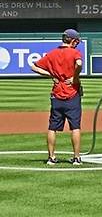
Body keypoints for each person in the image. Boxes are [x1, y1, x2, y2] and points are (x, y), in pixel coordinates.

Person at [30, 29, 83, 166]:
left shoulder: (52, 53)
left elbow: (34, 67)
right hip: (72, 94)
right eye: (76, 41)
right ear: (73, 40)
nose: (77, 44)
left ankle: (51, 157)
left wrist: (51, 75)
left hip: (57, 94)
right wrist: (75, 77)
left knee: (52, 127)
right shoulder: (74, 52)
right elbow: (79, 64)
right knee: (75, 127)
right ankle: (77, 158)